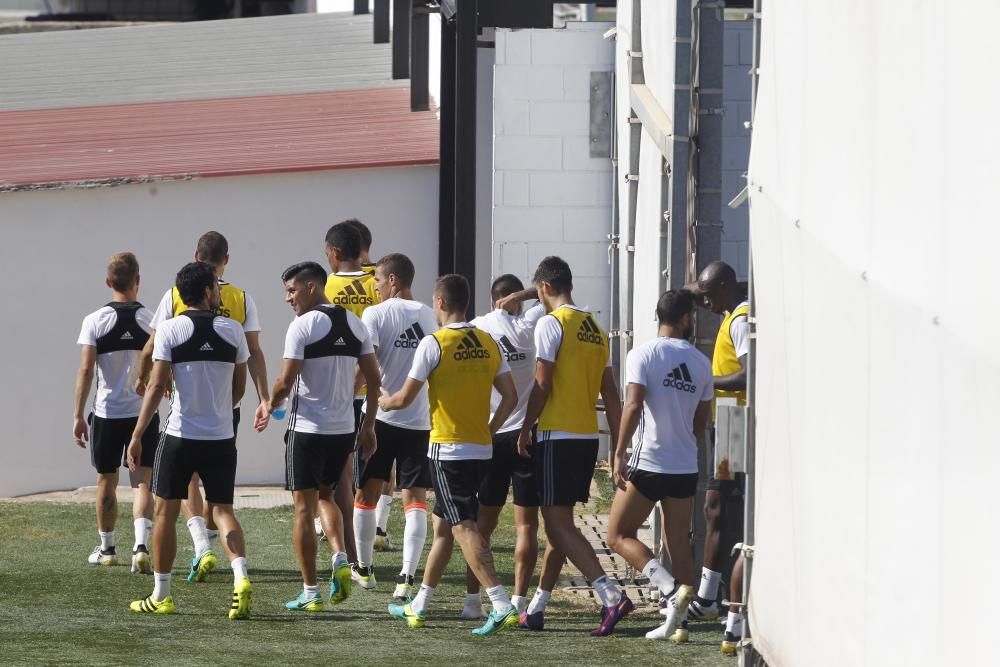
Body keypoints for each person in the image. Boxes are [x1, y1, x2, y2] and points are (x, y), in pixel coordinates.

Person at [380, 274, 520, 636]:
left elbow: (404, 399)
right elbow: (511, 397)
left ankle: (500, 601)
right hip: (481, 449)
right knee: (442, 527)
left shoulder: (435, 343)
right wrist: (490, 430)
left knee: (462, 527)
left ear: (440, 302)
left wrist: (380, 397)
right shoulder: (488, 342)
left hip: (448, 450)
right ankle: (420, 602)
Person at [140, 231, 270, 584]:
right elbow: (251, 359)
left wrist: (155, 388)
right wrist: (259, 398)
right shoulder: (240, 304)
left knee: (176, 495)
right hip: (222, 417)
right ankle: (231, 565)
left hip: (183, 420)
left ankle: (194, 553)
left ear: (197, 255)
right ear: (226, 260)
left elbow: (150, 351)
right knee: (222, 501)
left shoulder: (172, 298)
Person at [126, 261, 252, 619]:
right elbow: (239, 389)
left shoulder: (169, 331)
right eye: (215, 286)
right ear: (208, 290)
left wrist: (137, 435)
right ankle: (240, 577)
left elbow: (155, 386)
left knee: (165, 510)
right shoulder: (233, 331)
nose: (218, 291)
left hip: (180, 435)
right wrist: (219, 411)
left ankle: (162, 594)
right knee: (223, 510)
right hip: (221, 437)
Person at [515, 256, 630, 636]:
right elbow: (611, 394)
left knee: (558, 524)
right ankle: (537, 608)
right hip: (586, 439)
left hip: (557, 436)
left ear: (544, 287)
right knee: (560, 527)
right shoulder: (595, 328)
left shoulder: (552, 323)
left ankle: (611, 595)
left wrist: (525, 426)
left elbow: (542, 385)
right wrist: (617, 445)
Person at [262, 261, 381, 611]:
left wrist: (270, 402)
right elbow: (374, 380)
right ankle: (341, 557)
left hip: (307, 431)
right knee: (328, 496)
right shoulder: (355, 323)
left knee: (304, 509)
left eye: (291, 290)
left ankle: (311, 592)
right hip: (343, 430)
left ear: (312, 287)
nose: (288, 298)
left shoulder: (303, 326)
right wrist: (369, 425)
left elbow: (285, 382)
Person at [605, 289, 713, 642]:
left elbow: (633, 405)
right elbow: (702, 417)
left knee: (617, 535)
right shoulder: (700, 361)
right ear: (685, 319)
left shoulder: (643, 354)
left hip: (650, 462)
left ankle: (668, 588)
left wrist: (618, 451)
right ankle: (679, 624)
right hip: (684, 465)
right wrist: (687, 442)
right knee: (678, 541)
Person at [457, 274, 545, 620]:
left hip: (491, 435)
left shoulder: (480, 326)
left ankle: (472, 602)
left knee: (481, 526)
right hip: (526, 434)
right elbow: (546, 288)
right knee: (527, 527)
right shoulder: (530, 322)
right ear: (516, 300)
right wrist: (521, 295)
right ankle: (520, 603)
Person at [355, 253, 438, 601]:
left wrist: (349, 391)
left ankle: (365, 570)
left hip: (380, 416)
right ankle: (406, 577)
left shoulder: (374, 314)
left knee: (366, 494)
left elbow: (366, 366)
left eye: (377, 281)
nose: (374, 287)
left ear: (392, 280)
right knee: (415, 499)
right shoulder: (429, 315)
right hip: (419, 420)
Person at [73, 252, 159, 573]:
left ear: (109, 282)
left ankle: (108, 549)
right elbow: (160, 366)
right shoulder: (152, 320)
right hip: (143, 414)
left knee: (106, 480)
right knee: (142, 482)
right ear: (138, 280)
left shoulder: (95, 320)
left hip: (107, 413)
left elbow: (85, 369)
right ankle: (141, 547)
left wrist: (78, 415)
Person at [684, 260, 749, 655]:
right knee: (714, 506)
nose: (703, 302)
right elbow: (696, 288)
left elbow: (747, 373)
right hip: (727, 422)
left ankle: (713, 598)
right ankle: (709, 596)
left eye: (709, 295)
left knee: (721, 507)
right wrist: (693, 290)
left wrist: (706, 381)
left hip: (735, 422)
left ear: (725, 286)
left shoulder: (740, 319)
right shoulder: (728, 308)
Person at [323, 220, 382, 584]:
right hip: (374, 388)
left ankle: (349, 553)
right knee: (375, 474)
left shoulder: (325, 286)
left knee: (340, 478)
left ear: (333, 253)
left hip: (337, 391)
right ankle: (371, 541)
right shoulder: (377, 281)